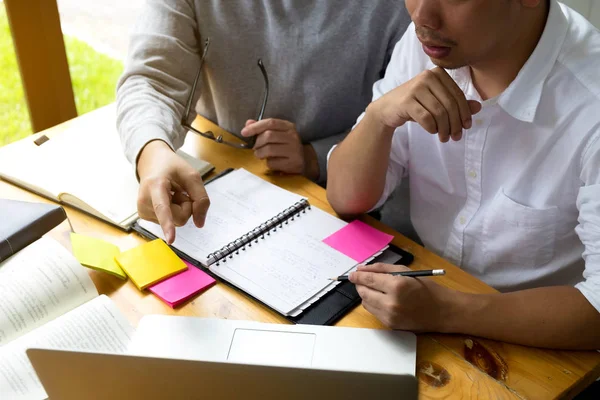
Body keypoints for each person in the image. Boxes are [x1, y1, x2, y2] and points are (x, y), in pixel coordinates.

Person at [327, 0, 600, 350]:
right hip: (426, 311)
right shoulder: (428, 43)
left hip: (546, 349)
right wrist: (379, 117)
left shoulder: (589, 103)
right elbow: (347, 198)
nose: (421, 16)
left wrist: (445, 310)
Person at [116, 0, 411, 244]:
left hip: (342, 206)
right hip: (219, 193)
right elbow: (151, 81)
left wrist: (314, 157)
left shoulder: (396, 7)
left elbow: (401, 114)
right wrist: (152, 153)